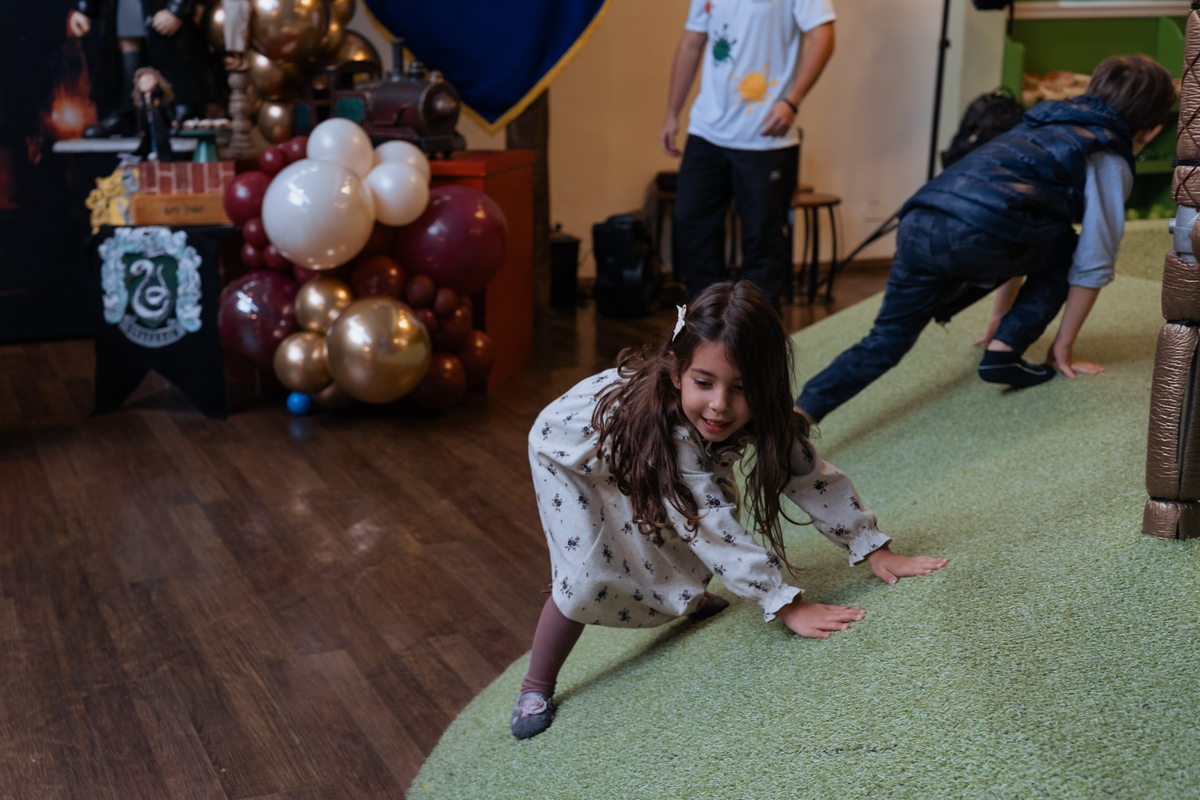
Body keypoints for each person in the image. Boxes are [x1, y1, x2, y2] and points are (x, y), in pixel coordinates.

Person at [511, 281, 949, 739]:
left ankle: (685, 593)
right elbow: (709, 523)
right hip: (569, 454)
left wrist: (872, 546)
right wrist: (784, 604)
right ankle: (535, 687)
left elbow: (809, 474)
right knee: (589, 570)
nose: (720, 404)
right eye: (705, 383)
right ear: (678, 372)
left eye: (742, 388)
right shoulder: (673, 436)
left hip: (643, 448)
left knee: (678, 517)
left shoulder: (755, 410)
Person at [796, 55, 1177, 423]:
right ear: (1153, 130)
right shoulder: (1108, 153)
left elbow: (1019, 216)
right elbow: (1094, 258)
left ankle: (800, 411)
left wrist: (999, 315)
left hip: (921, 218)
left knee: (884, 341)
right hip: (980, 233)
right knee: (1068, 248)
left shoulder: (1038, 120)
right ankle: (1005, 351)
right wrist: (1061, 347)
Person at [659, 0, 836, 310]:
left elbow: (823, 36)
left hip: (765, 139)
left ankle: (757, 348)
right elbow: (691, 43)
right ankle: (707, 333)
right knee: (691, 226)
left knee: (763, 246)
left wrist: (792, 102)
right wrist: (672, 114)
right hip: (706, 131)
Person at [67, 0, 216, 138]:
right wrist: (84, 8)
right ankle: (124, 112)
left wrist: (177, 8)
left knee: (173, 45)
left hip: (166, 11)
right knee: (124, 34)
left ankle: (184, 109)